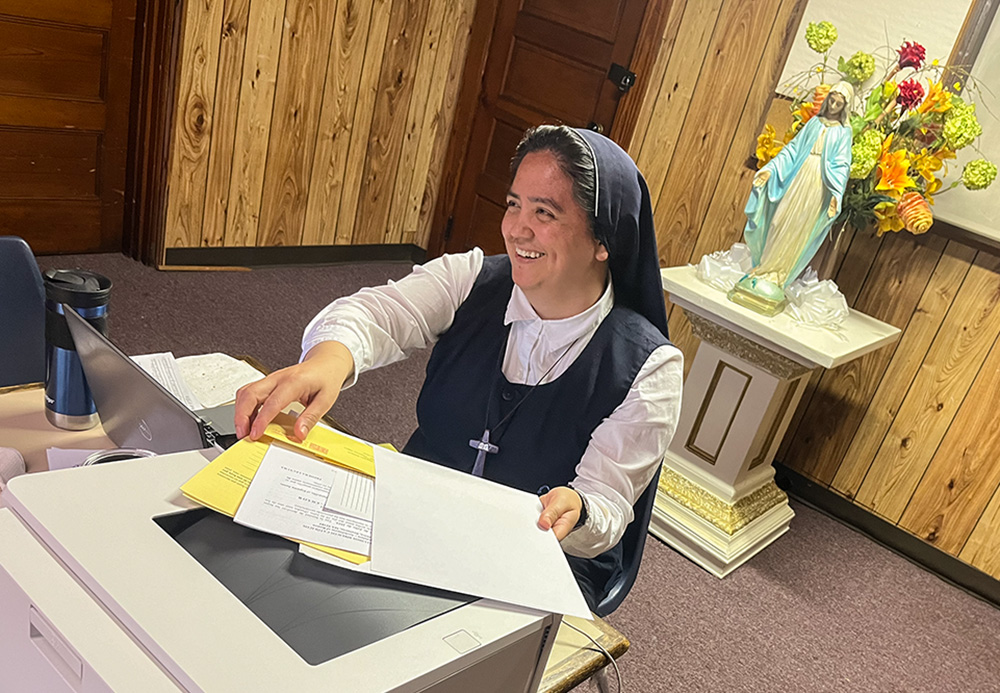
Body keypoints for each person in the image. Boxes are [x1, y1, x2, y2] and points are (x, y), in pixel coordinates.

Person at [235, 125, 683, 611]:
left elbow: (609, 505)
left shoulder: (649, 367)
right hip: (423, 510)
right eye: (513, 205)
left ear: (604, 240)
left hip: (537, 557)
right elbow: (375, 314)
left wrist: (580, 510)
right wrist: (329, 359)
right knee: (282, 584)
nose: (516, 229)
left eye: (544, 212)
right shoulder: (471, 278)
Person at [742, 81, 854, 292]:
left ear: (844, 107)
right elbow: (792, 150)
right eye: (831, 100)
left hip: (818, 186)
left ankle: (779, 274)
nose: (833, 106)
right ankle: (765, 266)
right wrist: (771, 169)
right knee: (779, 220)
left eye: (838, 104)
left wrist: (835, 195)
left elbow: (842, 165)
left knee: (799, 227)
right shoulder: (814, 123)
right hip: (798, 176)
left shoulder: (843, 133)